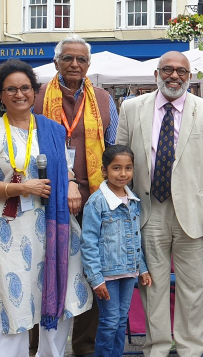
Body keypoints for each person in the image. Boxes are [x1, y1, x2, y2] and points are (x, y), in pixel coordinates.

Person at [116, 51, 203, 357]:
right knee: (151, 285)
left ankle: (190, 349)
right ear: (157, 74)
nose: (174, 76)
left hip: (194, 213)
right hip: (147, 209)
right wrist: (122, 211)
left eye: (181, 71)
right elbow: (119, 161)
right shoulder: (130, 108)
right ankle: (156, 348)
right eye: (167, 70)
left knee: (193, 288)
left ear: (189, 76)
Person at [0, 59, 91, 357]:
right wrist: (21, 188)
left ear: (34, 91)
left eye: (25, 88)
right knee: (11, 304)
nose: (19, 94)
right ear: (0, 94)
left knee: (57, 298)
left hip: (51, 226)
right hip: (6, 231)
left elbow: (65, 172)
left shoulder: (51, 131)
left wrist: (74, 183)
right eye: (10, 89)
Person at [34, 34, 118, 356]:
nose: (74, 64)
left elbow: (112, 152)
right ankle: (40, 347)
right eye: (67, 58)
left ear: (88, 64)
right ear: (56, 62)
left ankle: (84, 347)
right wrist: (64, 180)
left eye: (81, 59)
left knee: (92, 273)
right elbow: (31, 151)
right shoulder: (37, 97)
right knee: (46, 273)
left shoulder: (104, 99)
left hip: (94, 200)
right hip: (47, 199)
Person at [81, 145, 152, 357]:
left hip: (129, 272)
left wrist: (143, 268)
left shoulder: (133, 200)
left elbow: (135, 237)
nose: (123, 174)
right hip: (107, 275)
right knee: (110, 321)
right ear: (104, 171)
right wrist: (96, 279)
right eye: (116, 168)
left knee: (121, 319)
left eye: (128, 168)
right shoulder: (96, 202)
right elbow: (89, 242)